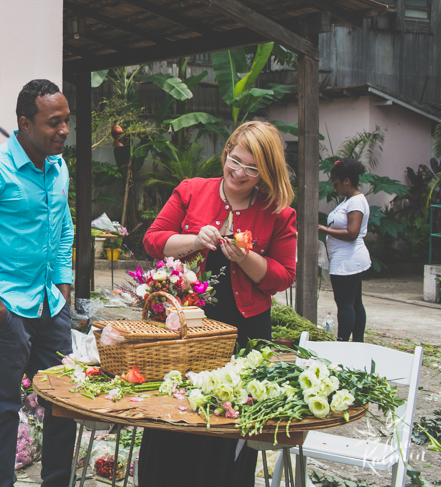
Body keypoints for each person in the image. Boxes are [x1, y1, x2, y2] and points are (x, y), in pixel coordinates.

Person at [139, 120, 297, 487]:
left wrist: (245, 257)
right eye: (235, 161)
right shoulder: (193, 191)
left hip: (244, 329)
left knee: (228, 414)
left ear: (266, 173)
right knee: (174, 407)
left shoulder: (278, 213)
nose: (239, 173)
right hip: (186, 323)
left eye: (252, 168)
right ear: (226, 153)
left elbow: (282, 276)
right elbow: (154, 240)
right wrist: (194, 239)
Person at [0, 79, 75, 487]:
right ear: (24, 123)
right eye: (53, 122)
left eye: (66, 121)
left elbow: (63, 233)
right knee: (3, 405)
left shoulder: (59, 169)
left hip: (48, 305)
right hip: (1, 306)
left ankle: (56, 481)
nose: (63, 131)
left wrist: (64, 290)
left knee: (63, 400)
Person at [318, 159, 370, 342]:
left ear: (347, 181)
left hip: (348, 260)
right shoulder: (350, 200)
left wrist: (325, 230)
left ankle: (343, 342)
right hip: (347, 258)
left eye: (337, 184)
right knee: (354, 302)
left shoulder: (355, 202)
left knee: (345, 304)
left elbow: (352, 233)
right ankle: (357, 342)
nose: (335, 188)